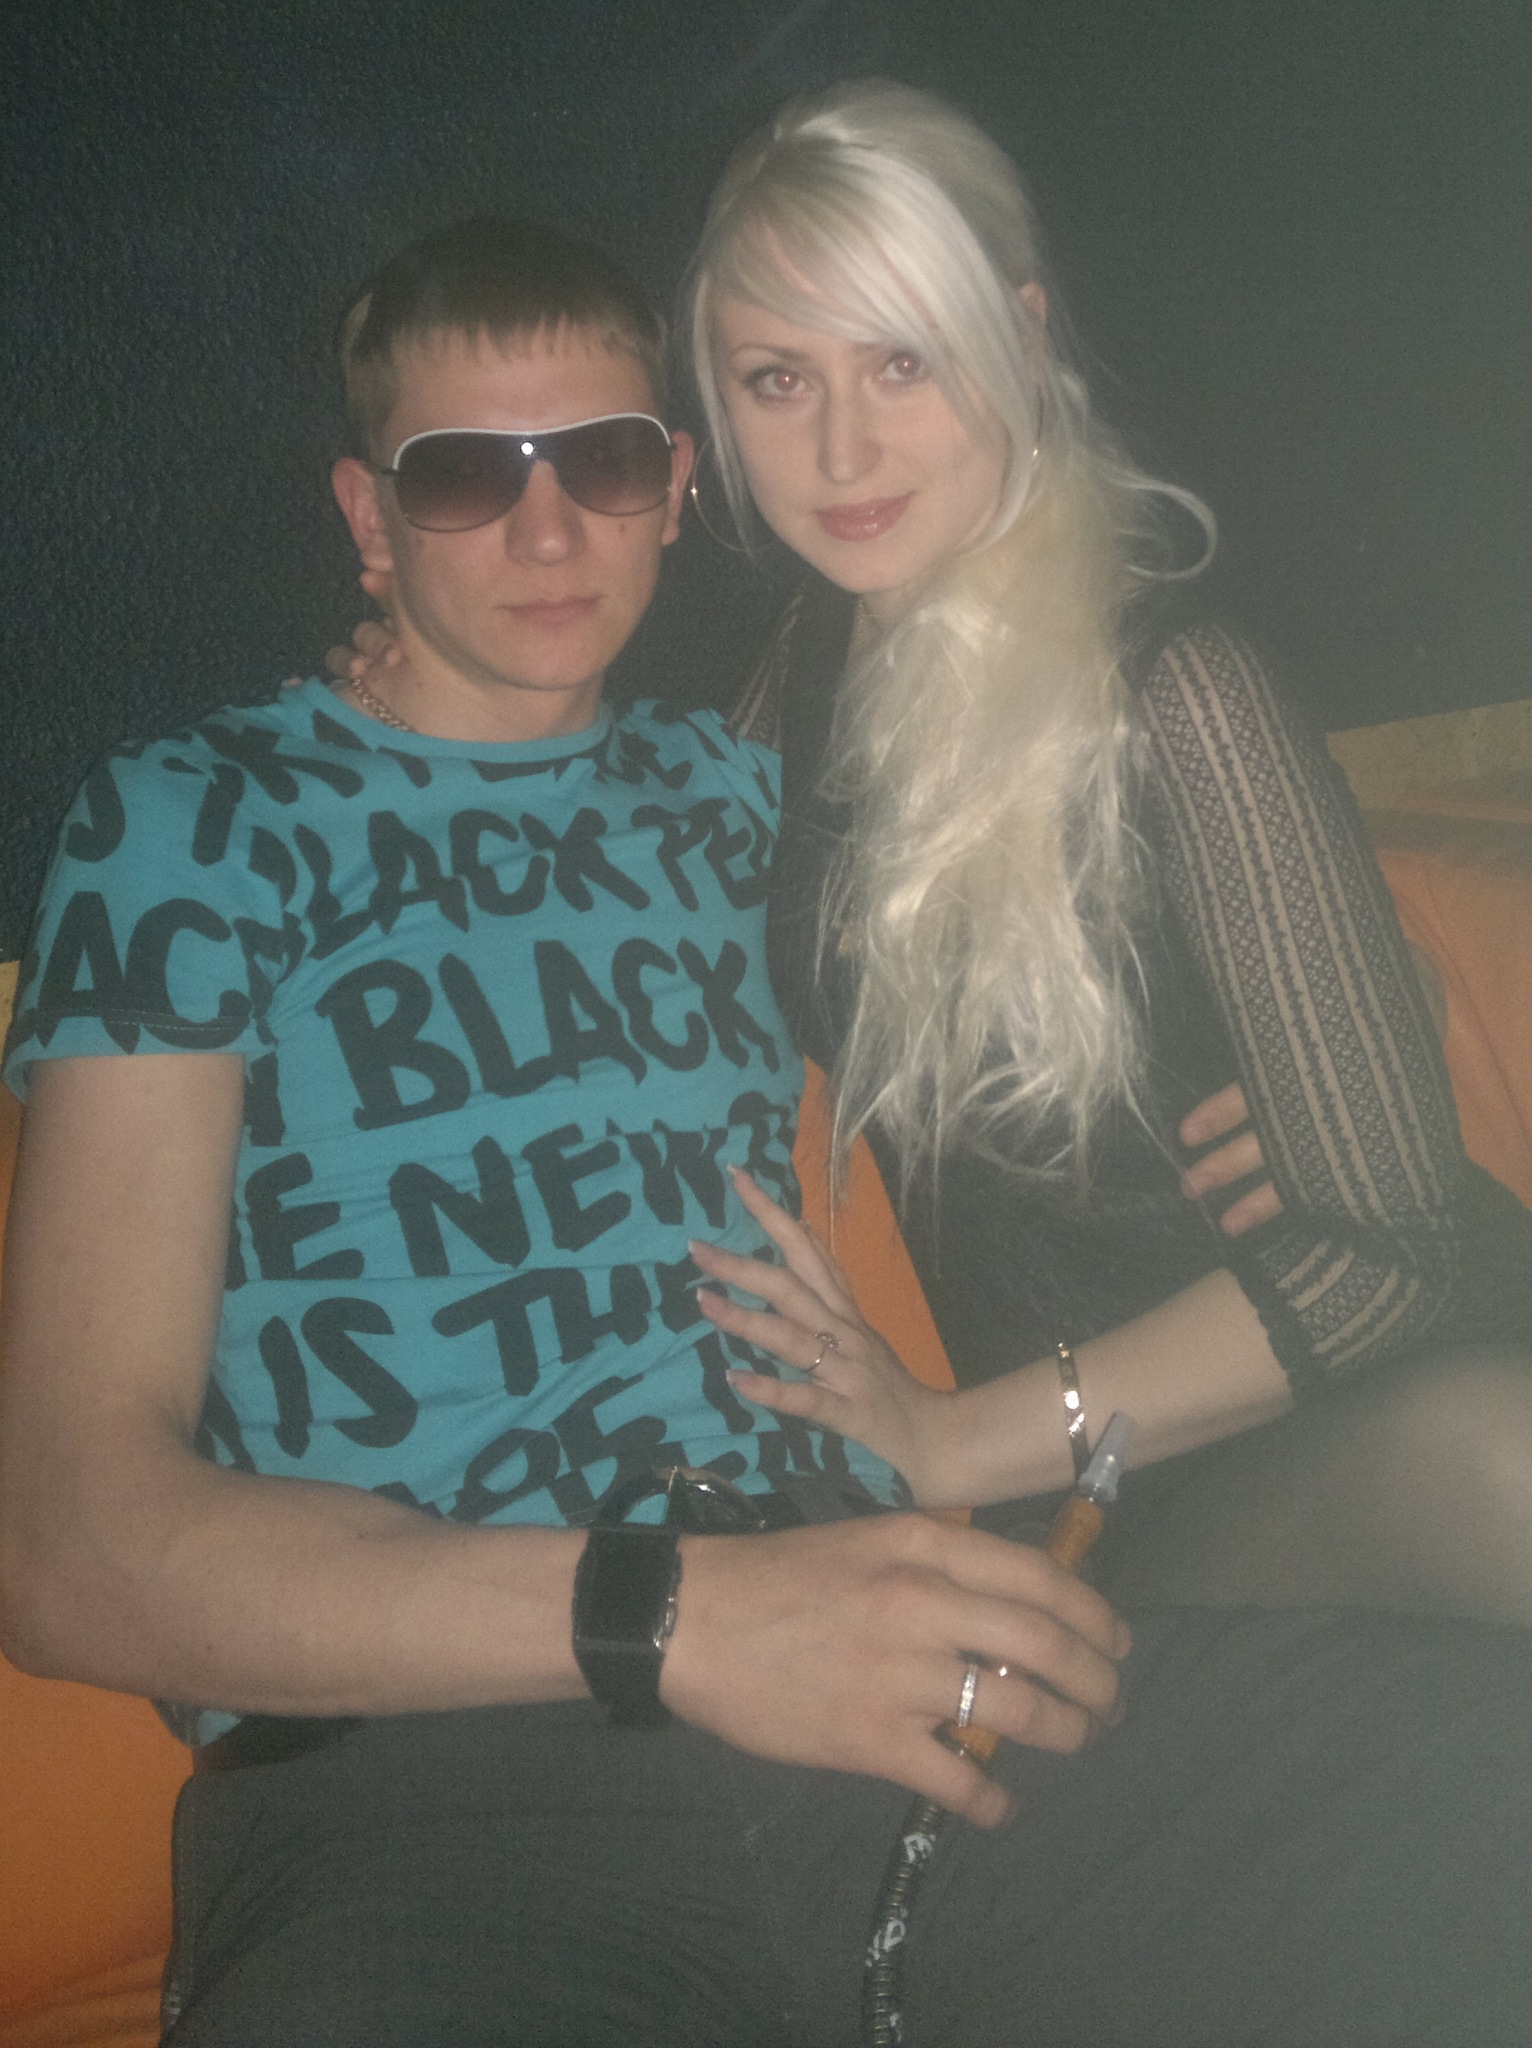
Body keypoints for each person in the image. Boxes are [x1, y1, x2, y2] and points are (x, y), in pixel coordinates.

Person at [3, 209, 1532, 2048]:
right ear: (367, 516)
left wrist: (1361, 1041)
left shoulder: (748, 796)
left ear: (675, 490)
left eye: (603, 462)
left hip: (915, 1680)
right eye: (466, 475)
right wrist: (684, 1616)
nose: (547, 531)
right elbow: (66, 1541)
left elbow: (1071, 849)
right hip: (439, 1795)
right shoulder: (194, 824)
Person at [673, 79, 1532, 1625]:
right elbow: (628, 881)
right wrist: (414, 677)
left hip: (1341, 1397)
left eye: (901, 361)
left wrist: (951, 1439)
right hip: (1108, 1493)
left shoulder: (1182, 688)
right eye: (779, 379)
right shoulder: (795, 681)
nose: (843, 446)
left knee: (1503, 1464)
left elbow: (1393, 1253)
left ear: (1021, 335)